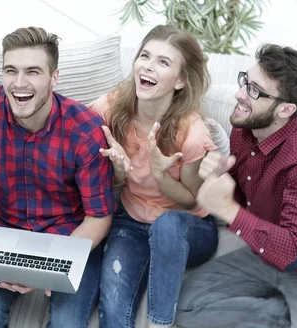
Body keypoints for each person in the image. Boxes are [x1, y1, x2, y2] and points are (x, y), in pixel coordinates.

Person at [175, 44, 297, 328]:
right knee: (184, 307)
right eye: (245, 81)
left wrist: (228, 210)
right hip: (265, 254)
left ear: (286, 109)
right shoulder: (244, 128)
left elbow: (294, 252)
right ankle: (282, 313)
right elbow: (248, 194)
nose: (239, 94)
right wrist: (223, 180)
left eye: (254, 91)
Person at [0, 26, 115, 328]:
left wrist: (46, 268)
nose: (19, 83)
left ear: (54, 77)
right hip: (3, 232)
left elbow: (98, 217)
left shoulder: (86, 129)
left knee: (67, 323)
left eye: (33, 72)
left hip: (69, 236)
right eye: (11, 71)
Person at [88, 25, 218, 328]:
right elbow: (86, 171)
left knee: (167, 224)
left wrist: (162, 175)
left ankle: (160, 324)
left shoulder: (193, 134)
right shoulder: (108, 109)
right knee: (114, 303)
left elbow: (191, 200)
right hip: (131, 221)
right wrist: (117, 171)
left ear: (181, 81)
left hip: (187, 227)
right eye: (145, 56)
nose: (148, 65)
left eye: (163, 62)